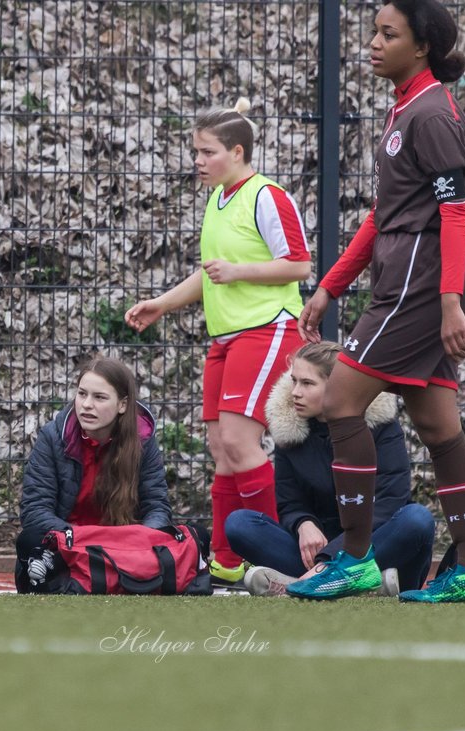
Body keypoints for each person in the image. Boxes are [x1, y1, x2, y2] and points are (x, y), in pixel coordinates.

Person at [293, 0, 465, 603]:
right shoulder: (406, 106)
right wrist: (333, 282)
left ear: (423, 46)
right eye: (375, 31)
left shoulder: (432, 113)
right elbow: (384, 215)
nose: (374, 42)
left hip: (419, 285)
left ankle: (354, 558)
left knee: (339, 398)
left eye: (390, 33)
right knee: (438, 427)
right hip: (412, 278)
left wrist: (450, 300)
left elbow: (455, 213)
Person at [124, 98, 312, 587]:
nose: (198, 162)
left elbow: (298, 264)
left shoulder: (267, 196)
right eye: (195, 152)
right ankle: (227, 563)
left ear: (237, 151)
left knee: (238, 441)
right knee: (220, 447)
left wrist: (240, 271)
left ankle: (288, 560)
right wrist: (162, 304)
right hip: (225, 338)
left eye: (207, 152)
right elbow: (211, 276)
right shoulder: (218, 199)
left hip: (268, 328)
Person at [226, 342, 434, 596]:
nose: (295, 392)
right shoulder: (289, 429)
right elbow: (289, 502)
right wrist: (303, 524)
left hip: (373, 546)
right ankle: (357, 586)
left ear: (337, 386)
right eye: (294, 381)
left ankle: (305, 583)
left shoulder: (382, 428)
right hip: (313, 552)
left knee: (416, 519)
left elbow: (390, 502)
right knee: (239, 524)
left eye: (307, 383)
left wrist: (331, 558)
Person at [15, 355, 172, 591]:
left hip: (124, 550)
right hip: (70, 545)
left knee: (193, 536)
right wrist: (83, 538)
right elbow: (35, 511)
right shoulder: (52, 437)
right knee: (30, 540)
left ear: (122, 405)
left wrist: (139, 540)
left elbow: (157, 506)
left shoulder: (142, 440)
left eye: (99, 397)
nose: (87, 404)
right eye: (82, 394)